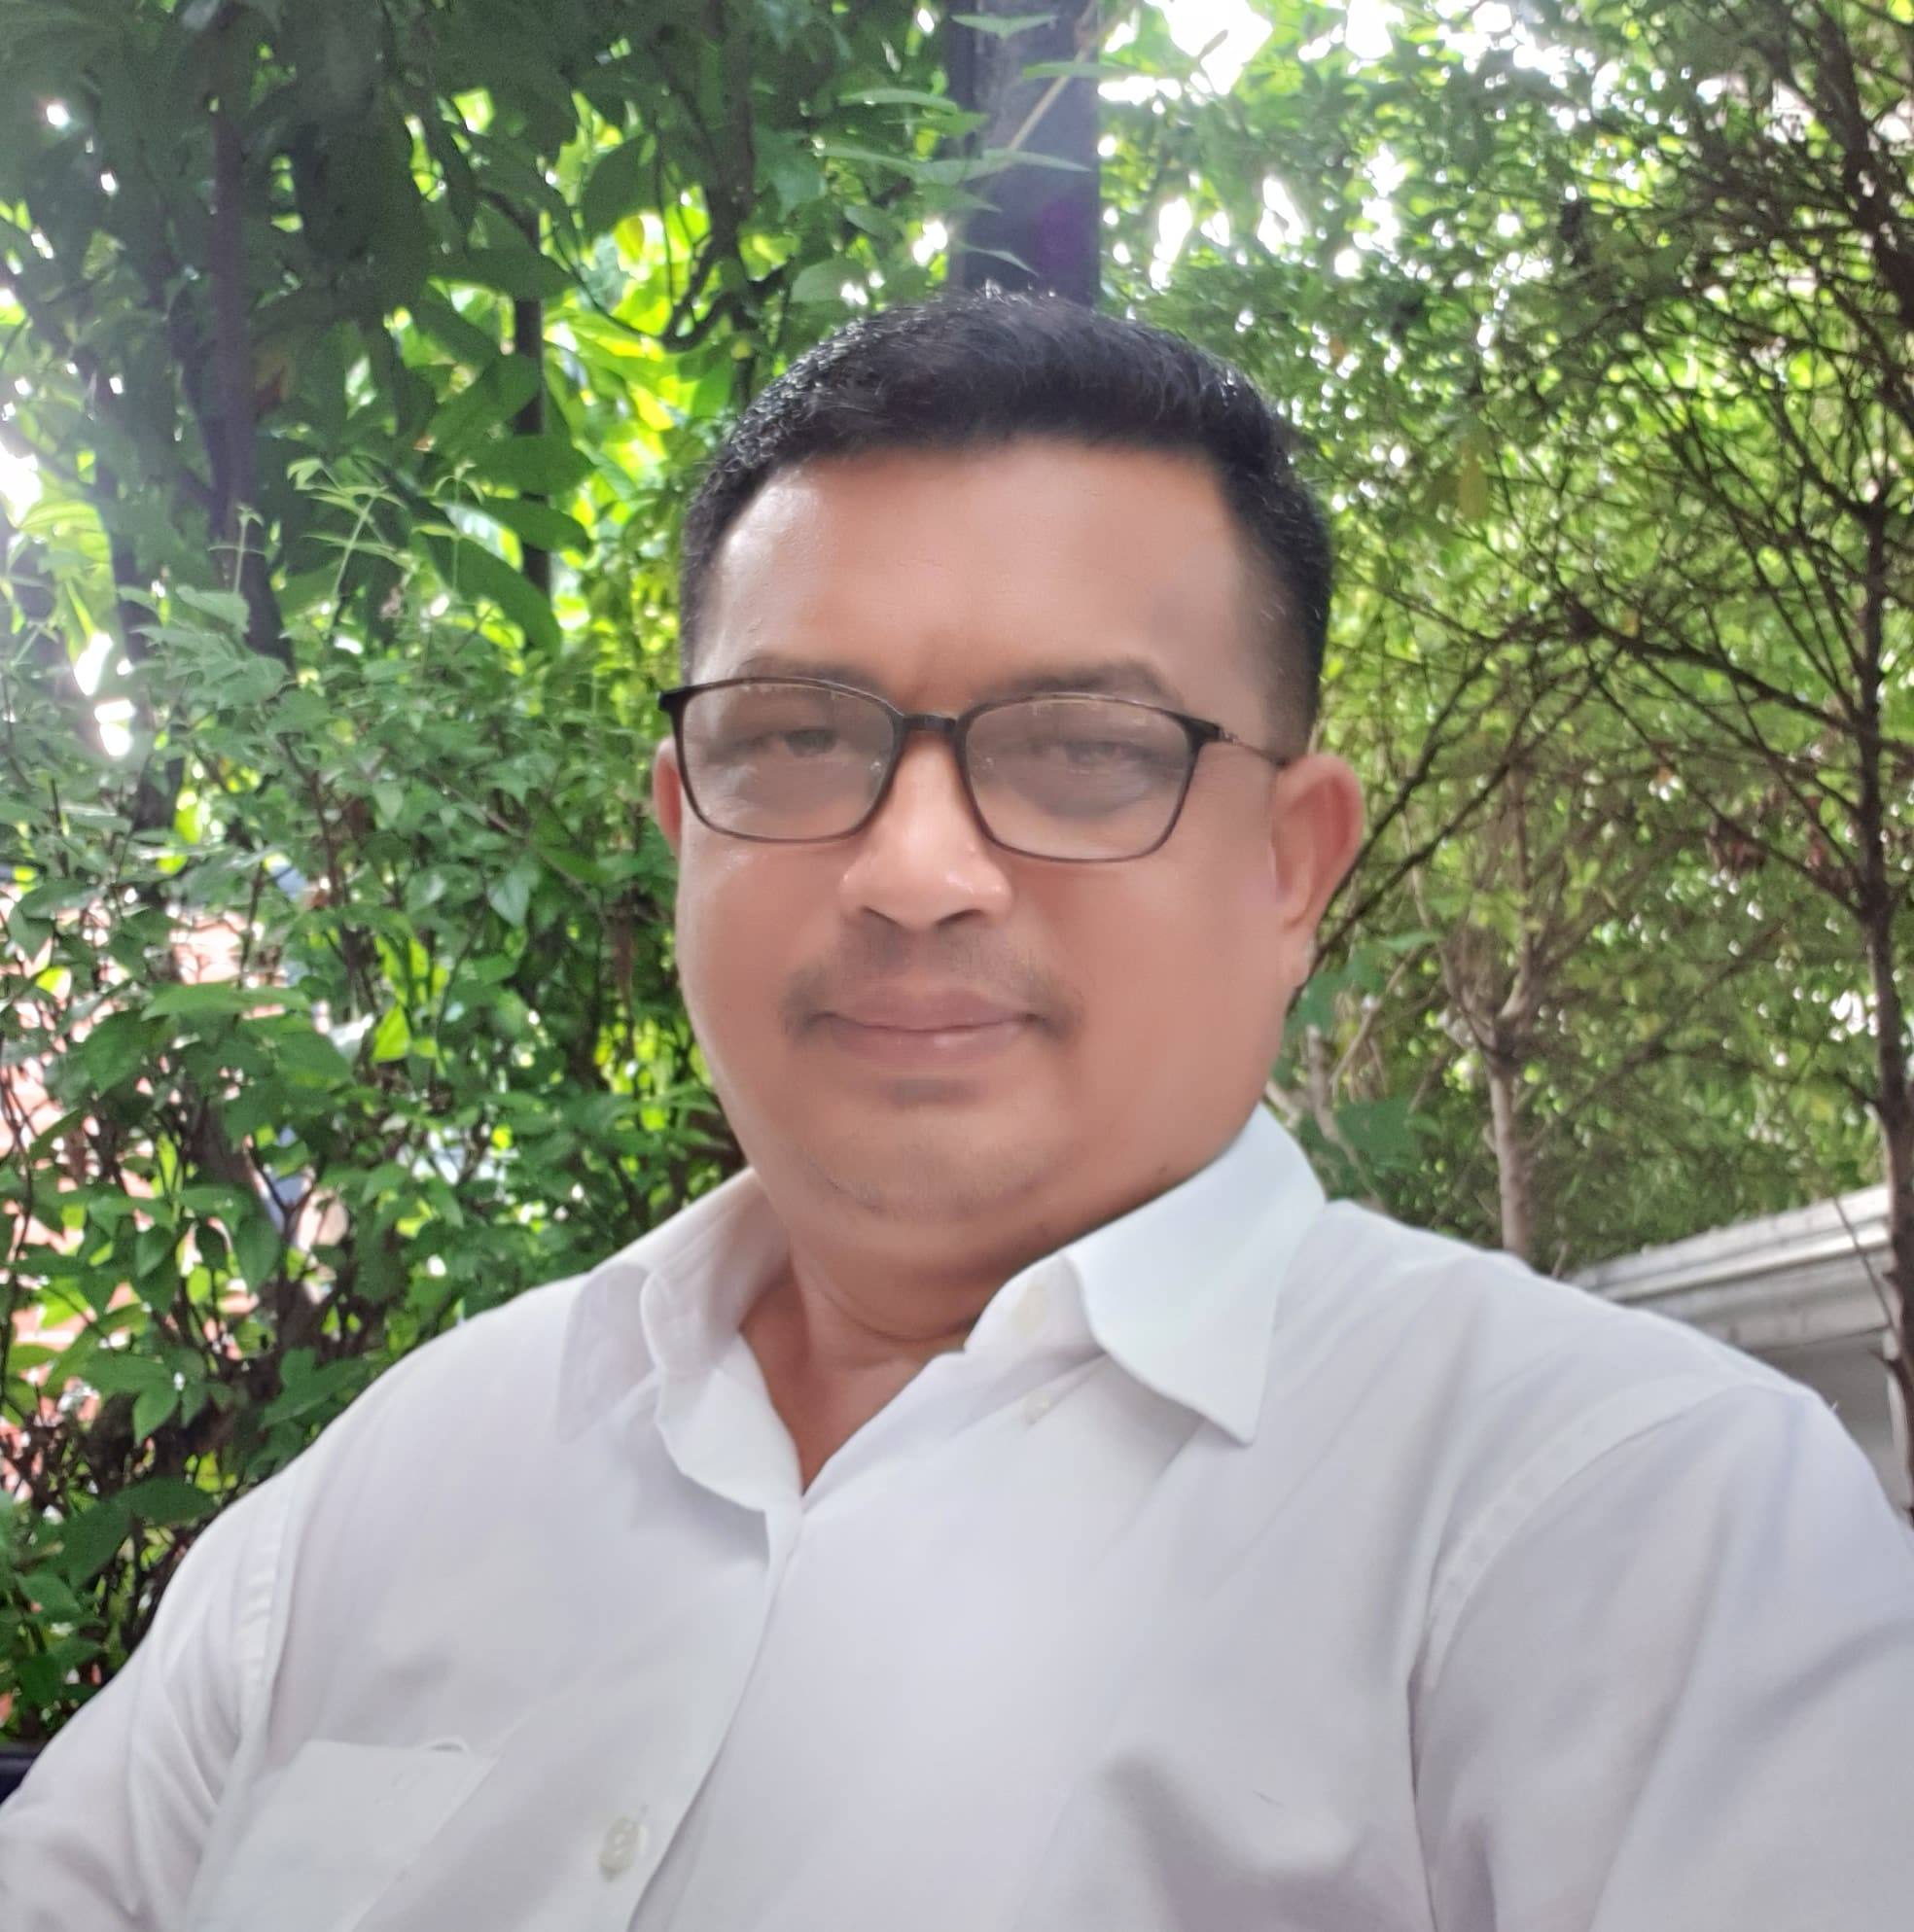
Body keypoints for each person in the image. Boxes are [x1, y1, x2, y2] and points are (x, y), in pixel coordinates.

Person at [3, 290, 1911, 1931]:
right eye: (794, 739)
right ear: (682, 826)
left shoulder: (1628, 1530)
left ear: (1288, 865)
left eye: (1085, 751)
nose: (914, 870)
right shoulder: (400, 1489)